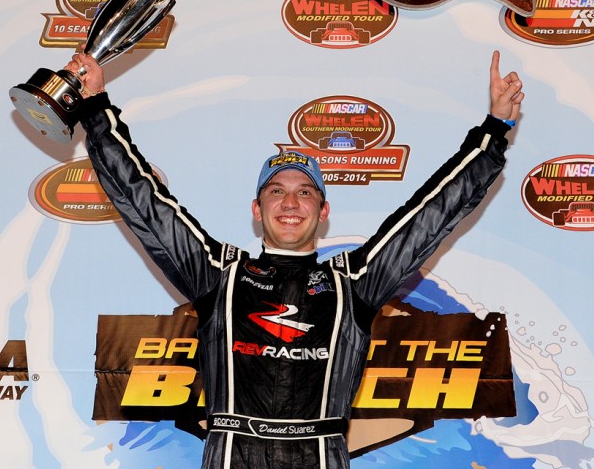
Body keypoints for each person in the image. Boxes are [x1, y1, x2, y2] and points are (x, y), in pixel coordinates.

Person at [66, 49, 523, 469]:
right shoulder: (218, 274)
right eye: (276, 191)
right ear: (256, 208)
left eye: (305, 193)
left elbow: (429, 216)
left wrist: (493, 132)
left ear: (323, 211)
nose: (290, 203)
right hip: (232, 456)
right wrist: (96, 108)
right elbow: (145, 203)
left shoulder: (354, 281)